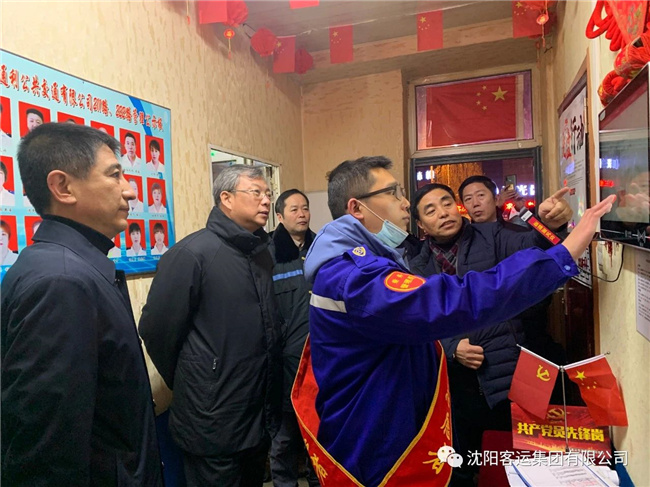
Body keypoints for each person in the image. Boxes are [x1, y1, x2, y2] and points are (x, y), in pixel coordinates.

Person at [294, 155, 615, 487]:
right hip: (377, 447)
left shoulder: (369, 261)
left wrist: (553, 234)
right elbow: (449, 302)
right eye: (393, 193)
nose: (405, 203)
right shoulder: (354, 275)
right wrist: (562, 257)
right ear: (357, 208)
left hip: (399, 425)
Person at [1, 123, 162, 485]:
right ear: (62, 187)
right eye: (114, 175)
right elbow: (46, 454)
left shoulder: (75, 267)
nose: (130, 190)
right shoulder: (61, 282)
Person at [409, 181, 571, 486]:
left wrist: (549, 224)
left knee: (512, 462)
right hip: (455, 386)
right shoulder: (416, 266)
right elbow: (417, 322)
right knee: (464, 464)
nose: (443, 212)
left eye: (447, 203)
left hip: (505, 373)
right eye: (431, 210)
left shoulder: (491, 236)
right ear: (421, 225)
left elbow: (535, 244)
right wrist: (451, 347)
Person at [139, 165, 283, 487]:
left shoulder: (261, 253)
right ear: (226, 198)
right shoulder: (192, 254)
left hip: (256, 415)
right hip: (212, 421)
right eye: (256, 192)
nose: (265, 201)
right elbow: (156, 329)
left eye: (268, 194)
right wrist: (197, 377)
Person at [268, 189, 319, 487]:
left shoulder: (322, 248)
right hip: (286, 363)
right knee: (284, 437)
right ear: (279, 216)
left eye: (305, 208)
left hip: (322, 360)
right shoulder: (267, 254)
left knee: (320, 432)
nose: (302, 214)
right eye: (294, 209)